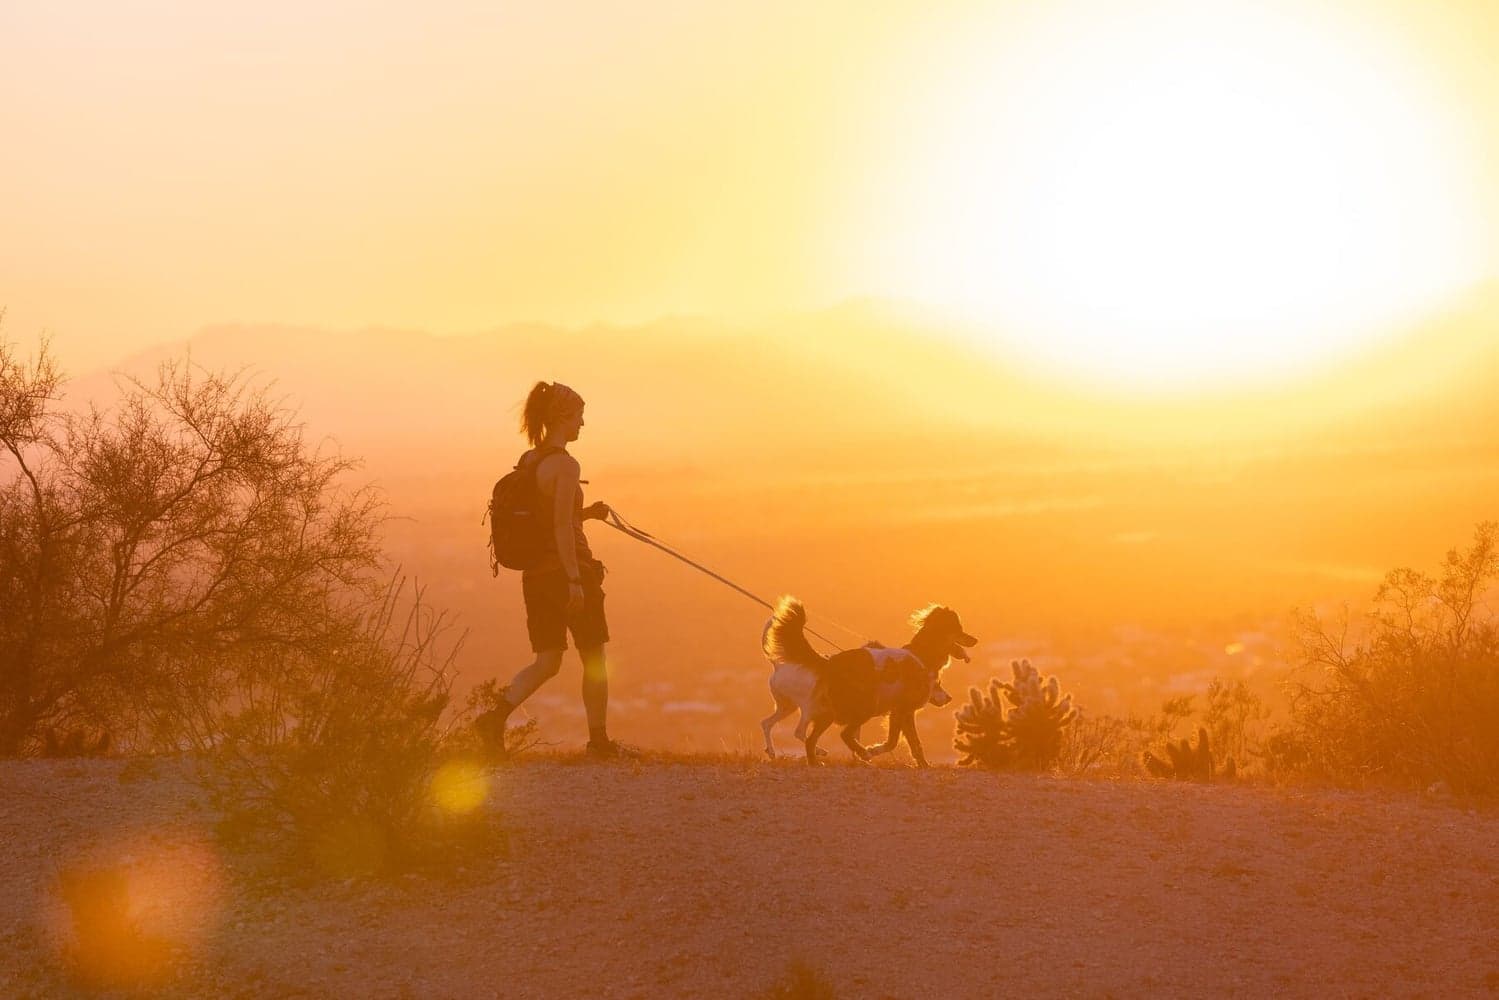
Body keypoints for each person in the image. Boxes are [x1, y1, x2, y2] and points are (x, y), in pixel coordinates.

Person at [475, 382, 635, 759]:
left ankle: (493, 719)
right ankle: (599, 742)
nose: (583, 423)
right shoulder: (566, 465)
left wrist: (587, 514)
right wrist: (576, 581)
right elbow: (561, 528)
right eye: (579, 415)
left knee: (547, 661)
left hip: (537, 576)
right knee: (593, 658)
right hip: (568, 572)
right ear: (563, 417)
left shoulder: (531, 460)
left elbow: (548, 521)